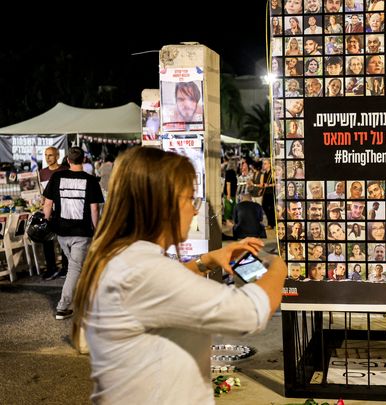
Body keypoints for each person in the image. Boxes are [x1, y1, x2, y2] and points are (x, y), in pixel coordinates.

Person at [70, 147, 286, 402]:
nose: (195, 210)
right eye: (190, 199)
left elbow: (157, 295)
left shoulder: (126, 258)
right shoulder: (143, 271)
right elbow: (249, 313)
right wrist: (279, 266)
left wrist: (205, 261)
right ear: (163, 205)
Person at [42, 147, 104, 320]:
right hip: (81, 232)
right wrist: (96, 229)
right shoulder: (91, 180)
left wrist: (46, 224)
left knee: (75, 266)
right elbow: (94, 209)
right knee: (75, 267)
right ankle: (62, 307)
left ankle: (89, 299)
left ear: (67, 160)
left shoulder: (56, 177)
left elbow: (47, 204)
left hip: (61, 232)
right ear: (84, 160)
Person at [39, 146, 69, 280]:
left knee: (64, 240)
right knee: (47, 239)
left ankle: (66, 268)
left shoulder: (64, 170)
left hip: (63, 210)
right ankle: (51, 268)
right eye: (46, 155)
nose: (48, 158)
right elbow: (41, 193)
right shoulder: (41, 173)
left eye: (50, 155)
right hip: (48, 210)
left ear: (57, 156)